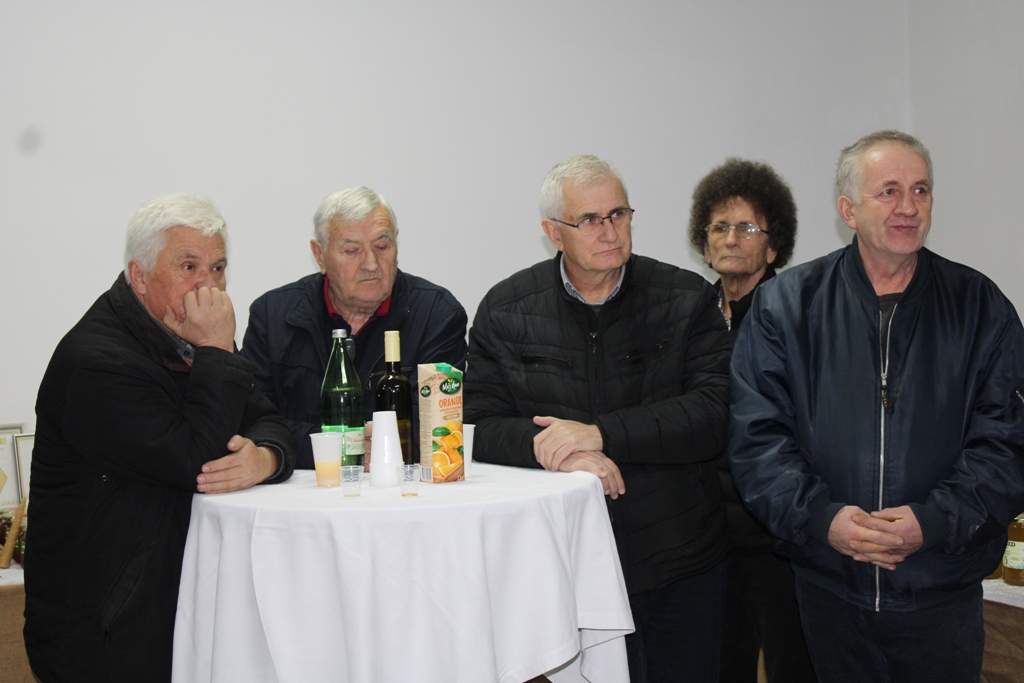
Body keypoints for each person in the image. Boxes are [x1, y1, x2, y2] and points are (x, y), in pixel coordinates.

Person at [729, 130, 1024, 682]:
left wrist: (933, 521)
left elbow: (1006, 443)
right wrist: (823, 518)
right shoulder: (786, 305)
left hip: (941, 588)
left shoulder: (979, 306)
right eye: (889, 191)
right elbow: (757, 440)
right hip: (830, 588)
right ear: (848, 210)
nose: (908, 207)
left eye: (921, 190)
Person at [466, 154, 731, 682]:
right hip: (558, 563)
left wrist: (600, 434)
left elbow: (713, 413)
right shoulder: (507, 308)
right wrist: (560, 453)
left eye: (619, 214)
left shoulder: (684, 297)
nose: (610, 231)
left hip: (678, 558)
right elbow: (478, 426)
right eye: (589, 219)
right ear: (553, 233)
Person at [25, 193, 297, 682]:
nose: (208, 287)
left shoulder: (195, 340)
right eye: (189, 267)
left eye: (218, 268)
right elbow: (196, 462)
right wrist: (217, 350)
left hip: (178, 610)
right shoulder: (97, 363)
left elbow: (267, 419)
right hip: (105, 635)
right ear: (140, 276)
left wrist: (266, 459)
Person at [688, 158, 814, 683]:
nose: (731, 238)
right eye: (719, 226)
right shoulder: (690, 315)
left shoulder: (798, 316)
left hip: (778, 532)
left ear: (774, 246)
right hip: (709, 534)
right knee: (719, 664)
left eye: (747, 228)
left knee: (791, 665)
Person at [242, 186, 468, 469]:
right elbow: (254, 421)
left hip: (400, 484)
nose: (371, 264)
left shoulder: (436, 315)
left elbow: (439, 424)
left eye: (382, 247)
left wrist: (374, 446)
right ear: (320, 255)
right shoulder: (272, 316)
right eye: (352, 251)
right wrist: (343, 448)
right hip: (306, 486)